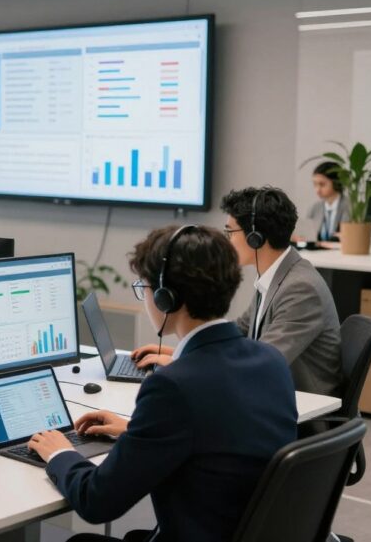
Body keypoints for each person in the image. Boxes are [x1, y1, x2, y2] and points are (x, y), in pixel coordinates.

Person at [30, 225, 298, 542]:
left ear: (165, 296)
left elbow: (97, 501)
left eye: (143, 286)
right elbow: (221, 437)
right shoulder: (270, 360)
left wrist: (60, 453)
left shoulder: (173, 387)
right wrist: (136, 431)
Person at [133, 187, 343, 398]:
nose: (226, 240)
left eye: (229, 232)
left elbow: (260, 363)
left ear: (256, 237)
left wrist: (182, 364)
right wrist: (182, 352)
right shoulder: (276, 274)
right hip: (267, 396)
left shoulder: (300, 288)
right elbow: (238, 333)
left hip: (300, 413)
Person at [306, 161, 349, 242]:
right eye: (315, 184)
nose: (317, 190)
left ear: (336, 183)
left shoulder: (350, 207)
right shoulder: (314, 208)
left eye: (322, 184)